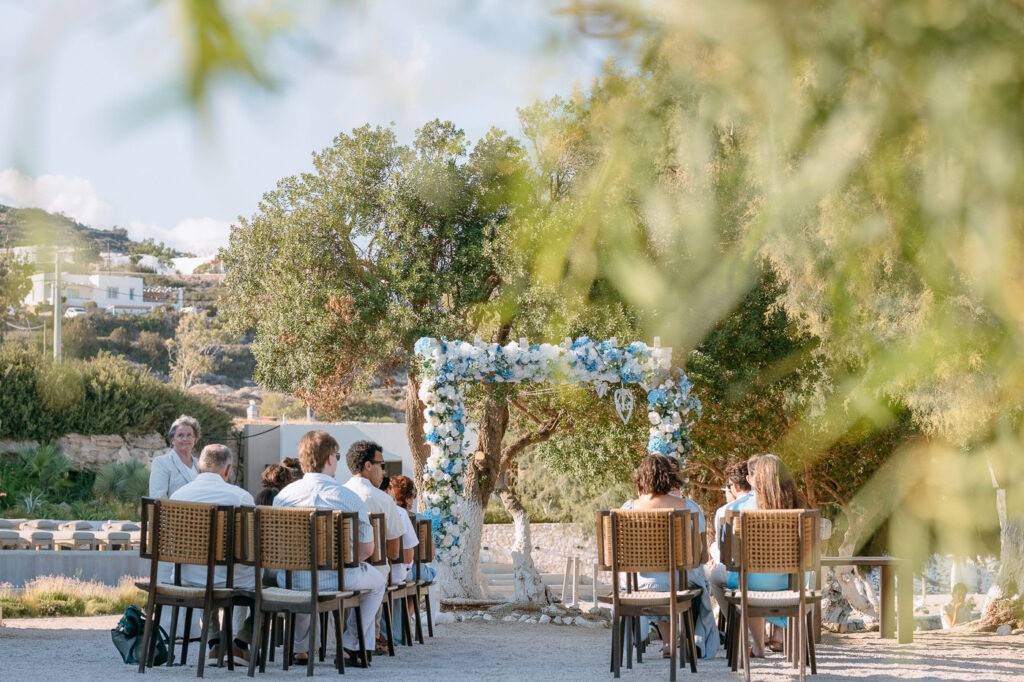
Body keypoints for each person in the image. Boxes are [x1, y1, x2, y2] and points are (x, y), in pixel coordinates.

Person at [273, 431, 386, 666]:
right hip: (337, 578)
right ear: (330, 459)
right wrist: (344, 560)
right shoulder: (347, 498)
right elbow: (367, 549)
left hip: (291, 579)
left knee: (302, 573)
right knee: (377, 583)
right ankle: (351, 645)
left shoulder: (283, 497)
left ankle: (300, 649)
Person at [621, 455, 717, 659]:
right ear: (671, 477)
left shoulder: (628, 509)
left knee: (657, 581)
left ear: (641, 478)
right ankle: (694, 642)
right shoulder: (688, 507)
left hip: (639, 584)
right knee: (692, 583)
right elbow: (701, 557)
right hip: (680, 583)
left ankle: (668, 642)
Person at [169, 444, 255, 665]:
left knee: (204, 577)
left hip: (187, 577)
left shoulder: (178, 497)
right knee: (262, 588)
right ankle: (241, 644)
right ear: (228, 469)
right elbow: (252, 547)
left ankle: (214, 644)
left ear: (199, 467)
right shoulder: (241, 497)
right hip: (231, 579)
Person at [726, 453, 807, 657]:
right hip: (790, 584)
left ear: (757, 479)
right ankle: (782, 637)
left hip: (751, 584)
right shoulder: (800, 509)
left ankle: (759, 646)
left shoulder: (739, 508)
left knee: (745, 581)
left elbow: (728, 555)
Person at [707, 460, 754, 613]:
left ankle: (735, 622)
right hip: (776, 577)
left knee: (714, 576)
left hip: (743, 576)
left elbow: (724, 556)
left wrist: (714, 552)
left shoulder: (726, 511)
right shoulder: (770, 504)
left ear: (735, 486)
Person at [149, 415, 201, 498]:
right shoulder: (162, 463)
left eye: (189, 435)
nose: (185, 439)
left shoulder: (200, 464)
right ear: (172, 440)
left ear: (194, 440)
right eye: (180, 435)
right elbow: (158, 498)